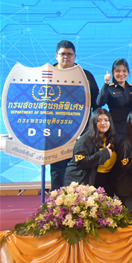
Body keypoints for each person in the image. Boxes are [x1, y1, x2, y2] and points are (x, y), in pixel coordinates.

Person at [49, 40, 100, 191]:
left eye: (69, 54)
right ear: (56, 56)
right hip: (55, 130)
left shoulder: (85, 75)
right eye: (62, 54)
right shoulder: (47, 74)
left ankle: (78, 198)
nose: (66, 57)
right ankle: (57, 199)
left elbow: (96, 103)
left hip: (81, 130)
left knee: (80, 165)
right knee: (57, 166)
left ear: (75, 56)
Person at [64, 108, 116, 189]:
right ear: (93, 122)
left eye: (106, 120)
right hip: (82, 180)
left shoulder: (111, 138)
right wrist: (103, 154)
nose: (103, 123)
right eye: (99, 120)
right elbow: (80, 162)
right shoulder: (84, 140)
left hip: (104, 179)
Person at [96, 58, 132, 142]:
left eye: (124, 71)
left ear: (128, 72)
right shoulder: (109, 88)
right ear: (113, 73)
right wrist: (106, 83)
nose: (121, 74)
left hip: (131, 126)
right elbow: (99, 102)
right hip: (115, 127)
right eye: (117, 71)